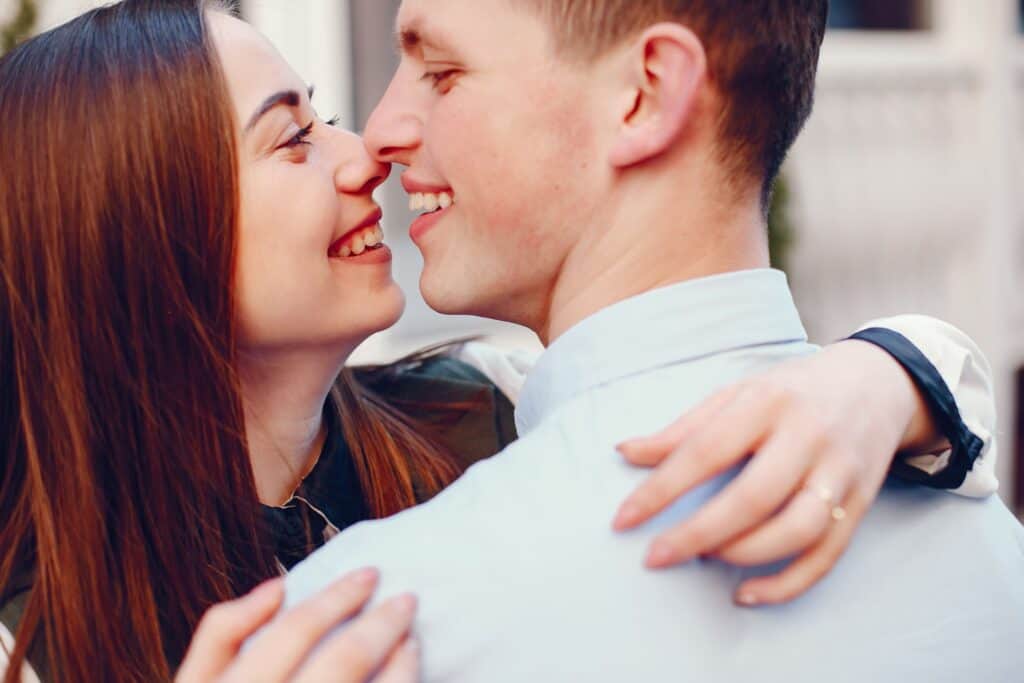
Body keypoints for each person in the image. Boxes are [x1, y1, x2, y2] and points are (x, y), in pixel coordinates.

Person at [0, 1, 1003, 681]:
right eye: (293, 138)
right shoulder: (30, 627)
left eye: (331, 115)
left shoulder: (475, 406)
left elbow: (677, 371)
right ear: (139, 225)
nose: (368, 154)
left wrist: (897, 371)